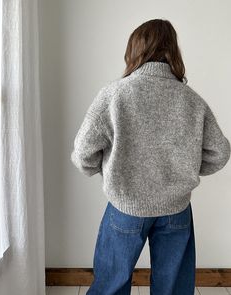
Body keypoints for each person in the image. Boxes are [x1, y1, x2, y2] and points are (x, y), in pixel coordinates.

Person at [70, 19, 230, 295]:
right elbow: (221, 152)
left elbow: (83, 152)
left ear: (134, 51)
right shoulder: (190, 99)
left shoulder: (114, 94)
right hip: (176, 208)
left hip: (126, 205)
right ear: (173, 52)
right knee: (173, 289)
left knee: (110, 285)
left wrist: (109, 169)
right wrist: (186, 168)